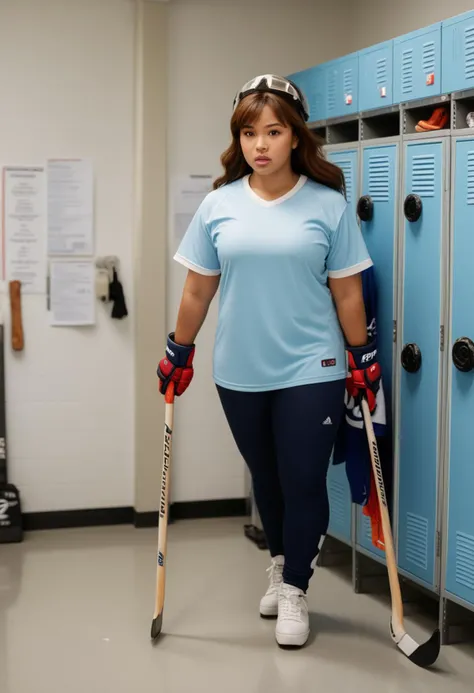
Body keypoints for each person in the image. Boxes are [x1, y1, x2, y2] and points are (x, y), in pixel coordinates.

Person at [157, 75, 381, 648]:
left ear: (294, 136)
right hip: (239, 368)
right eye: (250, 132)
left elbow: (348, 293)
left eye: (274, 131)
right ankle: (281, 564)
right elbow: (197, 291)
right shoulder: (218, 204)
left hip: (315, 364)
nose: (261, 144)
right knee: (270, 480)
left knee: (305, 479)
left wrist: (362, 354)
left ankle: (297, 589)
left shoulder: (328, 206)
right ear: (239, 139)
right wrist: (178, 349)